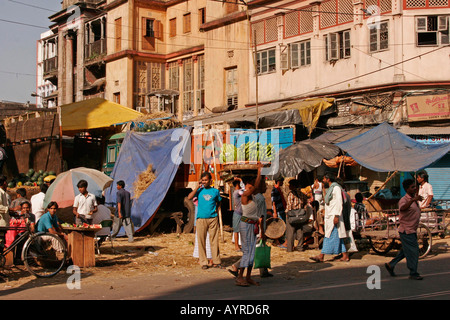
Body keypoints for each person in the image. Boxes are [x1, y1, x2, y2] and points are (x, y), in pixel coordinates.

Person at [385, 179, 424, 280]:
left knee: (406, 251)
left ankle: (391, 264)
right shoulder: (404, 200)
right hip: (407, 231)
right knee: (414, 251)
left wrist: (414, 200)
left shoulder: (413, 199)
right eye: (412, 187)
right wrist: (412, 200)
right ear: (407, 189)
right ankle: (413, 272)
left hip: (412, 230)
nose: (415, 188)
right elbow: (402, 208)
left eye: (415, 186)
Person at [310, 173, 349, 263]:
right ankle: (345, 255)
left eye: (324, 179)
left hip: (334, 217)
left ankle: (321, 255)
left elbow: (339, 203)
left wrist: (336, 216)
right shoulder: (331, 189)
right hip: (330, 216)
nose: (323, 181)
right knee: (337, 236)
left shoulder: (336, 188)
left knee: (329, 236)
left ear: (328, 179)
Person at [235, 165, 264, 286]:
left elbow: (260, 187)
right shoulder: (245, 194)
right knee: (247, 251)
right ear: (248, 184)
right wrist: (259, 172)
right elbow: (257, 186)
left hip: (252, 225)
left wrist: (261, 175)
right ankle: (240, 277)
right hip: (246, 225)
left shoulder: (252, 194)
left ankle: (248, 277)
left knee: (252, 252)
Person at [187, 172, 222, 270]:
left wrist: (215, 211)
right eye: (203, 180)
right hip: (201, 219)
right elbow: (189, 197)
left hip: (212, 219)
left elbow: (219, 202)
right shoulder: (199, 191)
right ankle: (203, 262)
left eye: (206, 180)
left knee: (214, 240)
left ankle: (216, 261)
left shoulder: (215, 191)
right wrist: (197, 187)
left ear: (210, 181)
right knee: (201, 240)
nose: (204, 182)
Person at [285, 179, 313, 252]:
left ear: (293, 186)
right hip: (300, 215)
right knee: (299, 231)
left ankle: (290, 248)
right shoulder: (301, 194)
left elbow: (289, 205)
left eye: (290, 185)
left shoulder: (291, 194)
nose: (289, 187)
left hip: (292, 215)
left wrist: (287, 214)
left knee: (290, 232)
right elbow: (305, 202)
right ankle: (300, 247)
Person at [271, 174, 287, 248]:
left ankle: (280, 240)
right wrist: (275, 213)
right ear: (278, 181)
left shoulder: (278, 189)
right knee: (279, 226)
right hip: (278, 211)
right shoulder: (274, 190)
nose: (283, 183)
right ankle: (277, 241)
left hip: (281, 209)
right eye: (282, 181)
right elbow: (273, 202)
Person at [232, 178, 244, 251]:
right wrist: (240, 180)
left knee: (240, 230)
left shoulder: (236, 192)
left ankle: (239, 245)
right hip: (238, 213)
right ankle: (236, 246)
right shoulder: (237, 192)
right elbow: (244, 191)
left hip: (240, 213)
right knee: (236, 230)